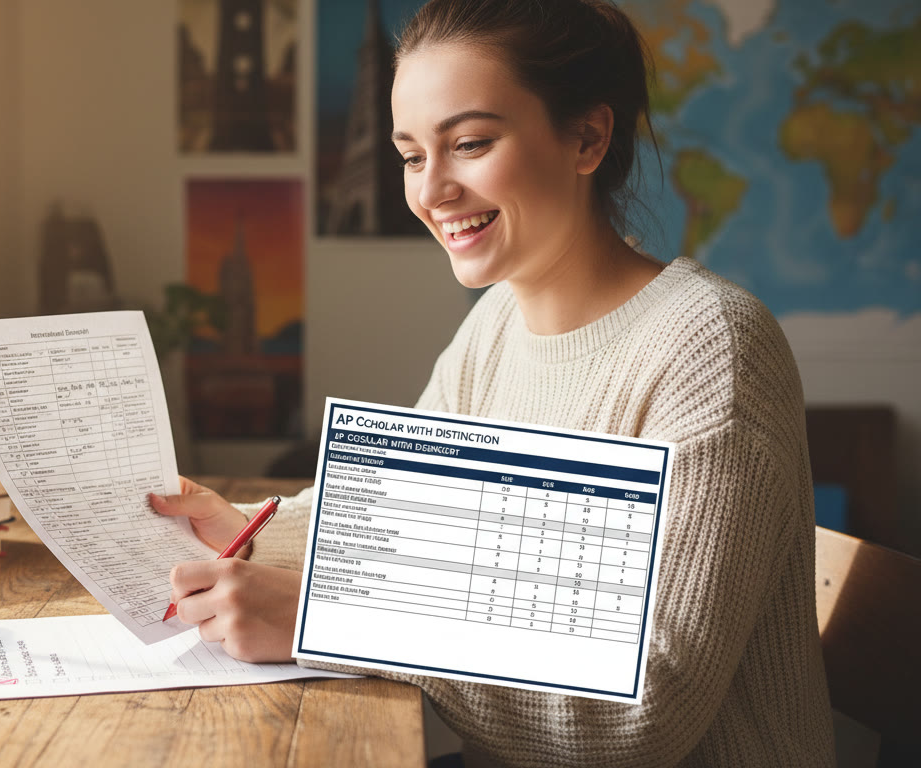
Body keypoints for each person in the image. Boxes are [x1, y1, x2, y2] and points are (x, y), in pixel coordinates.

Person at [149, 0, 834, 764]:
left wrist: (332, 618)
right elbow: (388, 518)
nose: (432, 190)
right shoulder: (499, 322)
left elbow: (649, 709)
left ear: (588, 137)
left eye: (469, 143)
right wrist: (240, 526)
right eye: (411, 155)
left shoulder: (714, 347)